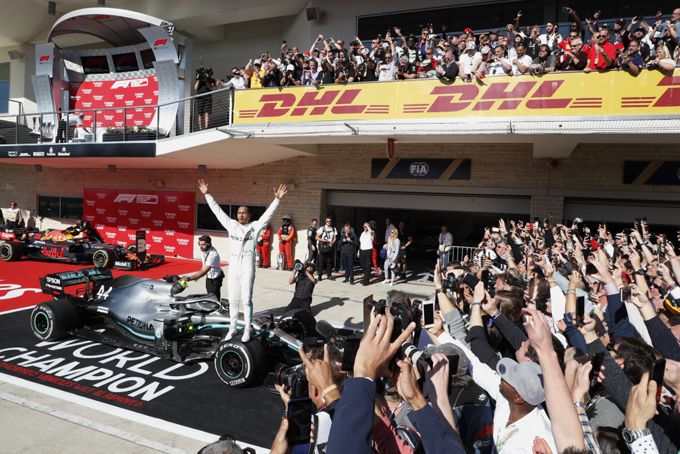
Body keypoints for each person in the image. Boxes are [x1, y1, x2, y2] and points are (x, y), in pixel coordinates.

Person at [198, 179, 287, 342]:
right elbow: (217, 211)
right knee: (233, 300)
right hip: (234, 268)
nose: (241, 215)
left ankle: (247, 328)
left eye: (244, 213)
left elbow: (268, 216)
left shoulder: (255, 227)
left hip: (247, 267)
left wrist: (277, 199)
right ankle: (232, 328)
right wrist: (207, 194)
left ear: (249, 215)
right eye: (239, 212)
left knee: (246, 299)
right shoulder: (231, 225)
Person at [181, 235, 224, 302]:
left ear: (209, 244)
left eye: (203, 244)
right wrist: (197, 276)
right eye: (199, 244)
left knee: (214, 299)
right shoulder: (205, 250)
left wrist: (189, 278)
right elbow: (204, 266)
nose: (201, 247)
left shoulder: (213, 255)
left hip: (214, 279)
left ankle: (217, 307)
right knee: (210, 297)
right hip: (209, 277)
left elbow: (204, 270)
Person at [194, 66, 215, 130]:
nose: (208, 73)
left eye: (209, 72)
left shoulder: (212, 80)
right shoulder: (200, 79)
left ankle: (206, 127)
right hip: (200, 98)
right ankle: (200, 128)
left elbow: (211, 87)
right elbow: (195, 88)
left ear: (211, 73)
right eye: (207, 72)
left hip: (208, 98)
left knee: (206, 113)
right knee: (200, 114)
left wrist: (206, 80)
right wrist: (198, 79)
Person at [316, 217, 337, 281]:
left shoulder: (334, 229)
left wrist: (332, 243)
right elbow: (316, 237)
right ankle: (320, 276)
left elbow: (335, 238)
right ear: (325, 222)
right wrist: (323, 240)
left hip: (329, 247)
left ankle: (329, 275)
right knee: (321, 263)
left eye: (329, 221)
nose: (328, 222)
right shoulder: (322, 228)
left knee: (329, 262)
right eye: (327, 221)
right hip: (322, 247)